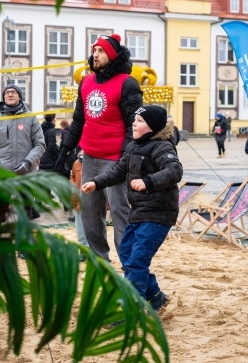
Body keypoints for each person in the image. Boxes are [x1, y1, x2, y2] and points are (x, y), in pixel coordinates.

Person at [82, 105, 183, 310]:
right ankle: (155, 296)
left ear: (152, 127)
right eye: (135, 120)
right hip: (139, 211)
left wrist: (148, 181)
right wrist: (97, 182)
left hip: (159, 214)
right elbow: (118, 171)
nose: (134, 124)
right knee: (127, 254)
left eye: (139, 121)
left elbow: (174, 170)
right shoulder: (134, 146)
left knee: (137, 260)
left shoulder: (162, 147)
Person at [55, 33, 143, 261]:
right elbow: (78, 121)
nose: (95, 54)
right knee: (90, 212)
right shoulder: (86, 82)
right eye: (94, 50)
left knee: (119, 211)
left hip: (116, 159)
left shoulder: (127, 83)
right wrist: (65, 149)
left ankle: (129, 265)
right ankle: (99, 260)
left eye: (101, 50)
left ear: (112, 55)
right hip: (90, 158)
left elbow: (133, 124)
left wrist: (126, 156)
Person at [0, 84, 45, 220]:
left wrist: (28, 162)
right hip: (3, 176)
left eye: (13, 92)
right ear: (3, 97)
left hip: (25, 175)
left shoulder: (31, 118)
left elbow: (40, 145)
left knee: (25, 216)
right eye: (7, 93)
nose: (10, 94)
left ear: (20, 96)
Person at [70, 150, 89, 260]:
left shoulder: (97, 162)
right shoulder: (77, 163)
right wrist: (72, 185)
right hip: (78, 201)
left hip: (92, 201)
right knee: (80, 230)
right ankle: (83, 251)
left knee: (94, 229)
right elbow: (72, 176)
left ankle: (94, 251)